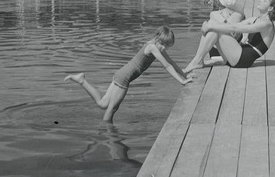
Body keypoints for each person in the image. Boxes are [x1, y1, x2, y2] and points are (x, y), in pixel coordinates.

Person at [64, 26, 193, 122]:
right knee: (112, 108)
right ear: (157, 38)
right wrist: (181, 81)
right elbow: (167, 65)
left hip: (121, 73)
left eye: (167, 46)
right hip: (124, 77)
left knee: (103, 104)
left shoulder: (156, 46)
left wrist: (184, 75)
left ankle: (82, 80)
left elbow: (171, 62)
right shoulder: (153, 47)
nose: (164, 48)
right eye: (163, 44)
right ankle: (106, 133)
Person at [184, 0, 275, 73]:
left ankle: (196, 61)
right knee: (214, 26)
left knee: (214, 27)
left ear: (270, 8)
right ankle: (197, 61)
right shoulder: (255, 19)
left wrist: (210, 25)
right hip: (235, 56)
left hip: (242, 59)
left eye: (264, 0)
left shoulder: (267, 24)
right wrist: (211, 24)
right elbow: (233, 26)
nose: (260, 0)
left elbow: (235, 28)